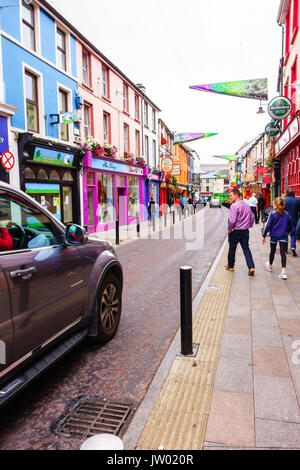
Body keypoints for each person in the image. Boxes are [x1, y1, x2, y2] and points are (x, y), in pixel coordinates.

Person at [225, 188, 255, 276]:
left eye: (231, 195)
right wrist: (249, 225)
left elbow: (232, 220)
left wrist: (229, 228)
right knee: (246, 249)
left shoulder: (234, 206)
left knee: (232, 248)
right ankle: (251, 267)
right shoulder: (246, 205)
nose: (229, 197)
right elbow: (252, 217)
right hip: (245, 231)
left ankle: (230, 266)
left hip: (235, 231)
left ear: (236, 195)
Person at [263, 197, 293, 280]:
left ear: (276, 205)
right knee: (283, 253)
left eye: (273, 204)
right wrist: (287, 231)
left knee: (272, 251)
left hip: (274, 236)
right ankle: (283, 272)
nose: (272, 205)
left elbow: (268, 226)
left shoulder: (272, 214)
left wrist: (264, 235)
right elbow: (290, 225)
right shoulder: (287, 214)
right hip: (283, 236)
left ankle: (270, 266)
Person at [283, 188, 300, 256]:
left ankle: (285, 249)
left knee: (285, 234)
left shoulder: (283, 201)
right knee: (293, 235)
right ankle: (293, 247)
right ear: (294, 194)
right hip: (294, 220)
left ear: (286, 193)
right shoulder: (297, 201)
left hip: (285, 221)